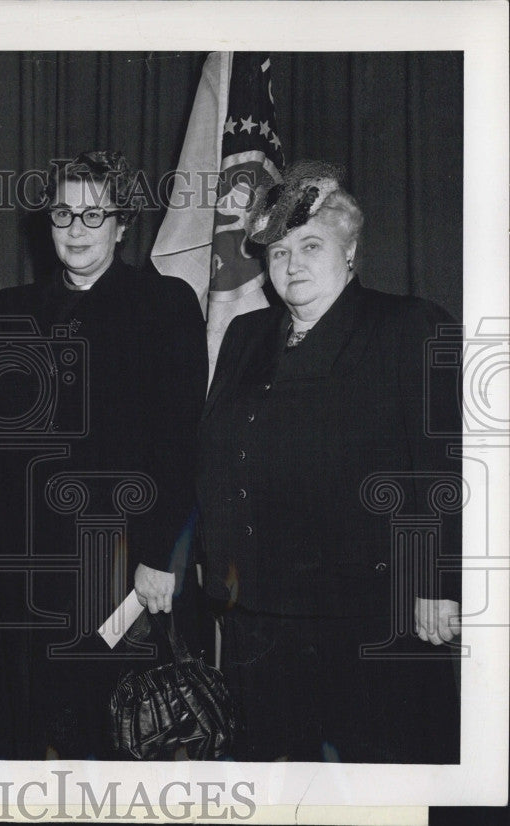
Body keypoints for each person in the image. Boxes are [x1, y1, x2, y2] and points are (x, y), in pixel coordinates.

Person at [196, 160, 462, 763]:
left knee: (391, 779)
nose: (292, 265)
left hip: (371, 612)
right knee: (274, 781)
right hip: (261, 613)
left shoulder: (408, 327)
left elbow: (442, 470)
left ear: (350, 250)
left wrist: (436, 585)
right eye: (279, 252)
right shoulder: (246, 336)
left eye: (311, 245)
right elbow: (215, 456)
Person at [0, 150, 208, 759]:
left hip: (118, 564)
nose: (76, 231)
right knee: (21, 735)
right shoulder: (9, 309)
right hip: (21, 568)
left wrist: (159, 557)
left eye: (93, 216)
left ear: (121, 223)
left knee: (109, 739)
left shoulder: (166, 305)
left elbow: (183, 442)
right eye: (63, 214)